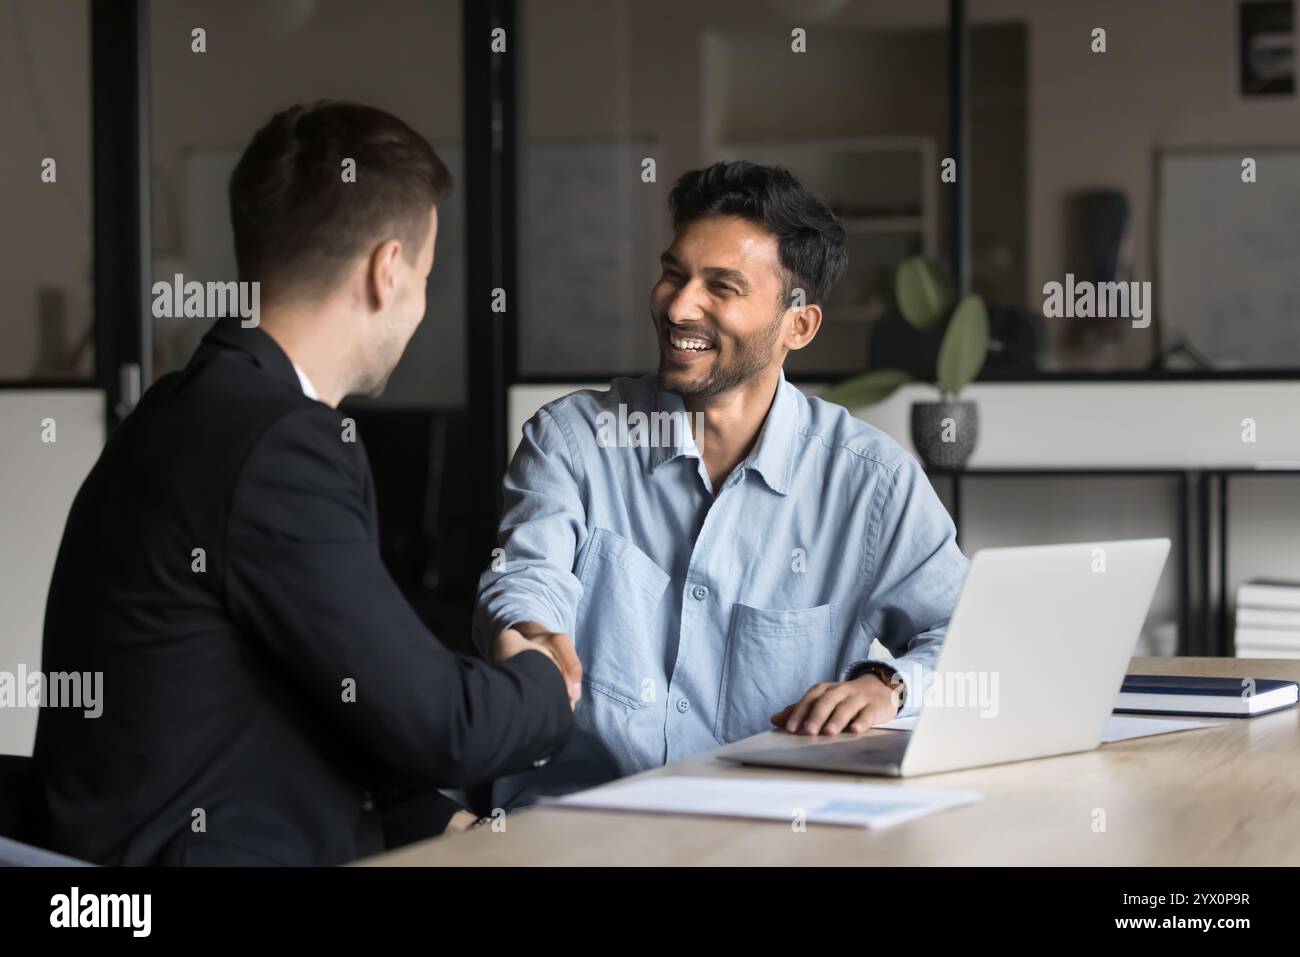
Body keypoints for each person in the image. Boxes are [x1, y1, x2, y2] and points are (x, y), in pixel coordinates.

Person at [32, 101, 580, 866]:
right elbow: (441, 722)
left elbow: (313, 683)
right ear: (388, 271)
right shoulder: (279, 444)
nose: (420, 303)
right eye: (424, 276)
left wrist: (420, 815)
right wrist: (545, 678)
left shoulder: (178, 407)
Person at [475, 161, 969, 808]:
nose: (679, 306)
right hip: (578, 826)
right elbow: (526, 574)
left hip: (767, 835)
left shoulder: (870, 484)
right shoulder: (572, 440)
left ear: (799, 326)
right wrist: (531, 632)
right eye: (673, 273)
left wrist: (888, 682)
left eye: (722, 286)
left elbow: (967, 638)